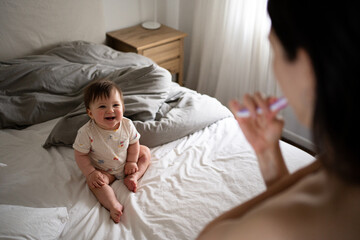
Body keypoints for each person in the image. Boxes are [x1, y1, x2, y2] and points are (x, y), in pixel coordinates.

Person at [197, 0, 360, 239]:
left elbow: (209, 235)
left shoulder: (277, 226)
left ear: (307, 67)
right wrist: (267, 154)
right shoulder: (344, 160)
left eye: (274, 50)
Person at [73, 79, 151, 223]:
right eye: (102, 106)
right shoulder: (86, 132)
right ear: (90, 113)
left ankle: (134, 177)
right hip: (105, 170)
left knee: (145, 152)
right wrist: (91, 172)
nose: (110, 110)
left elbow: (134, 143)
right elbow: (80, 154)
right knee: (95, 184)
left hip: (127, 161)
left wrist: (132, 161)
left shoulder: (127, 124)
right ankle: (113, 204)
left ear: (123, 107)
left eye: (116, 105)